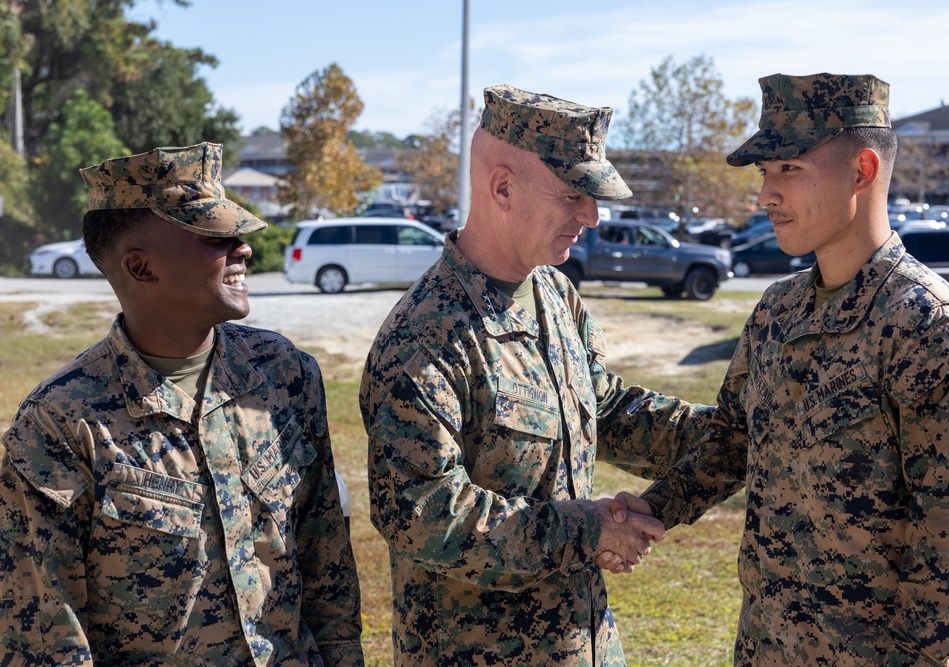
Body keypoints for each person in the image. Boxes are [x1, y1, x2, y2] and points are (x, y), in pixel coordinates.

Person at [613, 72, 949, 664]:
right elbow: (732, 443)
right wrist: (655, 508)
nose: (766, 195)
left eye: (788, 169)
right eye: (765, 174)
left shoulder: (925, 328)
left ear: (863, 171)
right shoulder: (777, 310)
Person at [359, 83, 713, 665]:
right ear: (502, 187)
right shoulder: (424, 338)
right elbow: (423, 514)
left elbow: (606, 409)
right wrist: (587, 530)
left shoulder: (553, 293)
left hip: (583, 644)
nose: (592, 216)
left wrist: (732, 432)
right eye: (574, 194)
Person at [0, 143, 364, 665]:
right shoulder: (60, 425)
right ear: (142, 268)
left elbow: (326, 563)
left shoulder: (284, 375)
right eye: (215, 238)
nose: (242, 249)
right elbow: (46, 640)